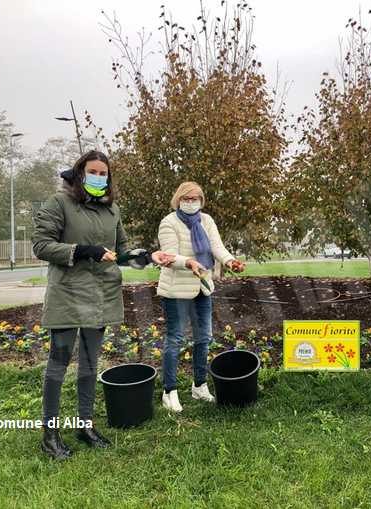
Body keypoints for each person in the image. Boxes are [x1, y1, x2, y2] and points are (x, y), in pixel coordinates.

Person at [32, 150, 174, 460]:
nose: (99, 176)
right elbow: (41, 246)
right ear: (79, 173)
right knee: (58, 365)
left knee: (89, 364)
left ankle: (85, 425)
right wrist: (84, 250)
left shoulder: (113, 211)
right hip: (68, 294)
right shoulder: (59, 204)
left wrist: (149, 256)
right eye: (93, 171)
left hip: (101, 296)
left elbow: (121, 252)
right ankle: (50, 435)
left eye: (104, 172)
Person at [157, 181, 245, 412]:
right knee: (175, 338)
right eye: (186, 198)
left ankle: (199, 385)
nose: (191, 202)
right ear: (178, 200)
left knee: (203, 338)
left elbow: (217, 246)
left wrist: (229, 261)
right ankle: (169, 391)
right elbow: (168, 256)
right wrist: (188, 262)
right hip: (176, 289)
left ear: (201, 201)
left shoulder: (206, 221)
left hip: (202, 287)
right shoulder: (169, 222)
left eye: (195, 198)